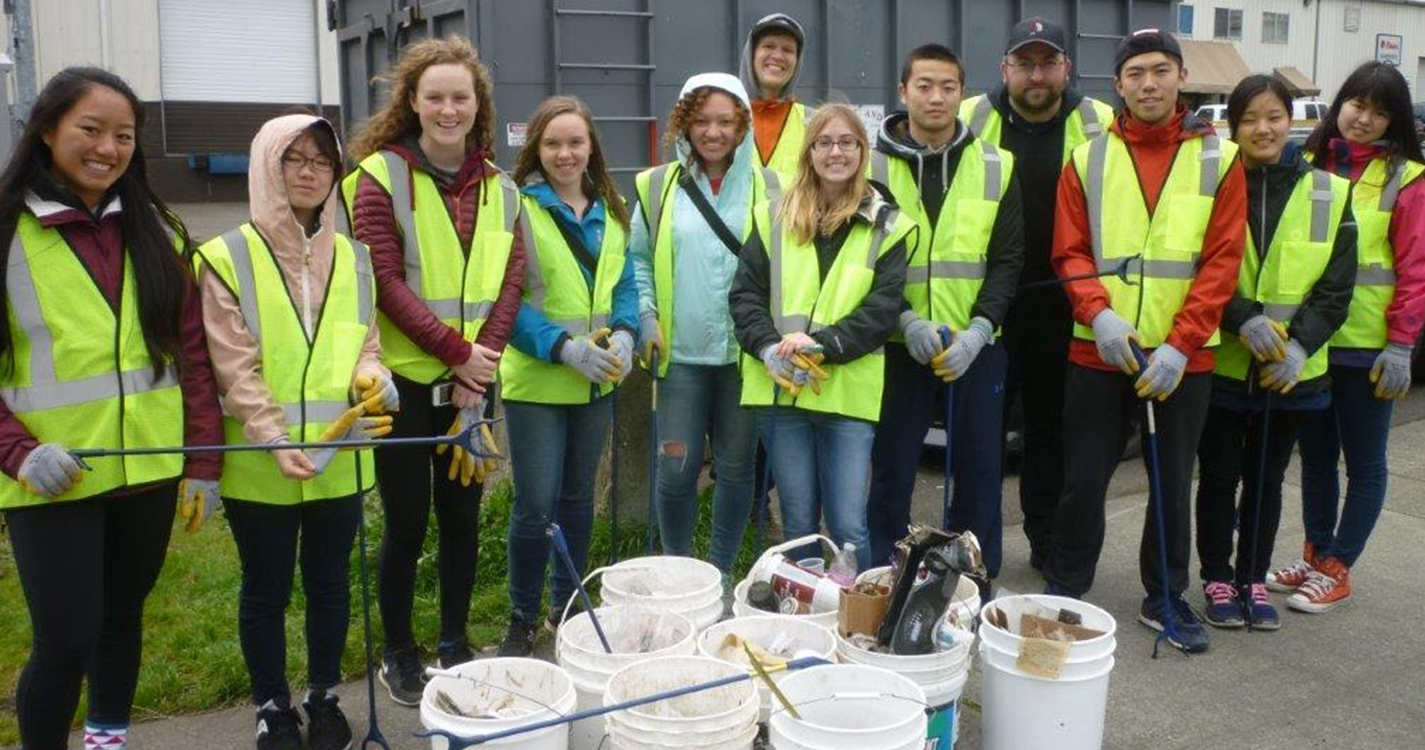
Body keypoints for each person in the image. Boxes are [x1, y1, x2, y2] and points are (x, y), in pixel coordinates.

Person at [0, 67, 223, 750]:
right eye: (89, 130)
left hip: (147, 469)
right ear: (47, 129)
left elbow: (190, 353)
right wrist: (18, 452)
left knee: (121, 620)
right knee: (68, 637)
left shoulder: (155, 229)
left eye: (123, 136)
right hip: (51, 477)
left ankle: (106, 740)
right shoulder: (6, 230)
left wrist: (205, 462)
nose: (107, 148)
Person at [197, 114, 395, 750]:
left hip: (340, 457)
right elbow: (234, 367)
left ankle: (324, 695)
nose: (309, 172)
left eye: (322, 161)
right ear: (265, 166)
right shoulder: (226, 257)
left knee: (331, 583)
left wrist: (375, 378)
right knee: (266, 588)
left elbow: (365, 342)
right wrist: (275, 440)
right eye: (294, 159)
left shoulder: (356, 257)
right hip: (262, 463)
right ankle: (271, 705)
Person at [1045, 29, 1246, 654]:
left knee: (1171, 481)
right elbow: (1070, 250)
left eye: (1160, 71)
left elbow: (1222, 262)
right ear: (1119, 85)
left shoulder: (1222, 158)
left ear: (1182, 77)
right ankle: (1065, 592)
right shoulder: (1088, 157)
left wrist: (1182, 345)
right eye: (1135, 74)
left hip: (1182, 359)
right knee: (1082, 480)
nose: (1148, 84)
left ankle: (1165, 596)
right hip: (1098, 350)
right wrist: (1099, 315)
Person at [342, 36, 526, 704]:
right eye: (435, 97)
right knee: (407, 519)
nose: (448, 109)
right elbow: (381, 280)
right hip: (404, 382)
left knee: (462, 517)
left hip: (472, 383)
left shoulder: (501, 189)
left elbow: (511, 281)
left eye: (460, 97)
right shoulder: (377, 178)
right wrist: (457, 353)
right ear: (413, 104)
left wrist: (481, 367)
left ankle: (451, 642)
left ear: (478, 106)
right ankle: (398, 651)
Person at [1193, 75, 1356, 631]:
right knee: (1217, 477)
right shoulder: (1211, 186)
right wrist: (1242, 318)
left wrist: (1301, 345)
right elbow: (1196, 267)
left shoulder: (1329, 192)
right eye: (1249, 118)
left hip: (1290, 375)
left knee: (1266, 479)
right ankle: (1216, 575)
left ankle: (1252, 578)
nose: (1262, 128)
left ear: (1293, 121)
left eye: (1274, 116)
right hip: (1223, 365)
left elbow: (1337, 287)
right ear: (1231, 126)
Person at [958, 17, 1115, 571]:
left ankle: (1045, 543)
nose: (1036, 75)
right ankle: (973, 550)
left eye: (1048, 63)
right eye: (1024, 64)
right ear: (1004, 69)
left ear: (1067, 68)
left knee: (1050, 433)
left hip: (1065, 305)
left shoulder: (1100, 123)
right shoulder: (970, 116)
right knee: (980, 436)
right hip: (986, 303)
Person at [1269, 61, 1425, 613]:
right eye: (1357, 104)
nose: (1364, 119)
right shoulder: (1307, 161)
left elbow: (1414, 267)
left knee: (1364, 462)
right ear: (1340, 104)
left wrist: (1402, 343)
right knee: (1314, 458)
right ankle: (1315, 554)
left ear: (1395, 121)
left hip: (1367, 345)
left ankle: (1340, 565)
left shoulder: (1406, 178)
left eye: (1380, 111)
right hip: (1312, 342)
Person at [732, 103, 915, 573]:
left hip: (847, 395)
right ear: (809, 151)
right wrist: (770, 348)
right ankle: (804, 617)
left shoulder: (888, 224)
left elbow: (883, 309)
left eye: (847, 142)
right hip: (782, 388)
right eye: (825, 142)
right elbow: (745, 296)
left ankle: (857, 625)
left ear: (862, 150)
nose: (836, 152)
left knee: (849, 526)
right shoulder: (772, 215)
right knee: (797, 524)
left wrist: (824, 346)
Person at [865, 44, 1024, 577]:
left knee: (980, 472)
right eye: (925, 85)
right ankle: (889, 573)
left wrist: (979, 333)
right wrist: (903, 321)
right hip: (894, 346)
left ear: (963, 92)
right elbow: (855, 262)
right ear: (902, 91)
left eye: (948, 87)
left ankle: (973, 579)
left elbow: (1007, 261)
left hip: (975, 348)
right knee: (892, 469)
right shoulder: (868, 166)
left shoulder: (998, 165)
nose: (936, 97)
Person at [496, 96, 639, 655]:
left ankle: (568, 605)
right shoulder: (516, 209)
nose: (565, 153)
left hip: (596, 382)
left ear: (591, 148)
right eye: (553, 143)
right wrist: (560, 347)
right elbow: (505, 300)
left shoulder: (612, 205)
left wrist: (626, 331)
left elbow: (623, 281)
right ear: (536, 148)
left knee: (579, 500)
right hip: (538, 383)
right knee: (535, 504)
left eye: (575, 142)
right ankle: (521, 615)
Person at [630, 73, 780, 581]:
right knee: (675, 471)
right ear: (684, 123)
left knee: (738, 472)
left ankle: (717, 573)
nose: (713, 132)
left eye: (725, 121)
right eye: (701, 121)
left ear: (743, 126)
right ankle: (678, 573)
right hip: (680, 358)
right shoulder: (656, 186)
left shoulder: (774, 187)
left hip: (746, 359)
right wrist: (646, 316)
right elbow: (638, 262)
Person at [738, 12, 814, 182]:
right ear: (751, 54)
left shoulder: (815, 123)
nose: (778, 56)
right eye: (769, 46)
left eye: (788, 50)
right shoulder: (723, 117)